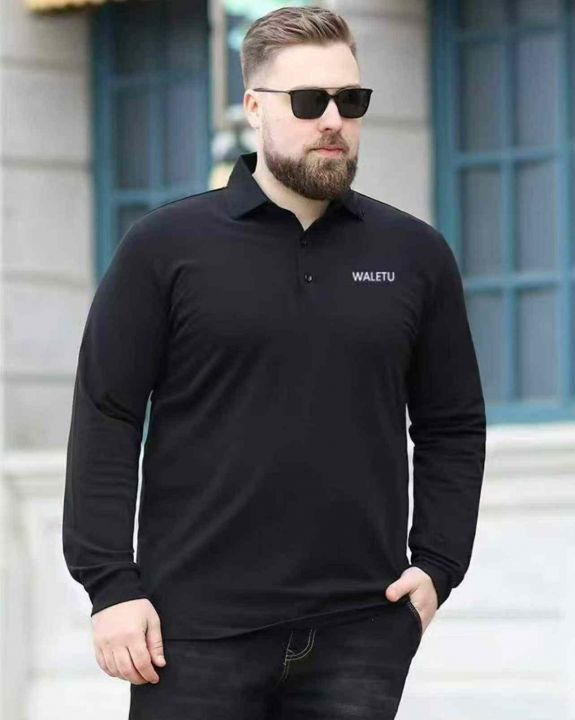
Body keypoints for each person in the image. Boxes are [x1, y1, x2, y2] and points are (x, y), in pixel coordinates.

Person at [62, 5, 486, 719]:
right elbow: (108, 414)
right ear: (254, 107)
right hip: (190, 633)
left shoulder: (415, 254)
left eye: (350, 100)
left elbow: (452, 424)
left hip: (361, 632)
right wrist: (110, 587)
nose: (333, 120)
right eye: (309, 101)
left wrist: (439, 565)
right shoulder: (164, 247)